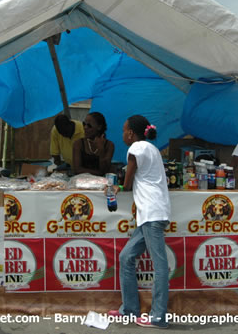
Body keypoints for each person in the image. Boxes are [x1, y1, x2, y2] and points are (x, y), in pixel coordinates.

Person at [108, 115, 171, 328]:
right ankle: (130, 310)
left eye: (124, 130)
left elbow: (127, 184)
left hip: (152, 213)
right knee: (126, 257)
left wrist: (117, 185)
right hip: (150, 214)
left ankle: (158, 317)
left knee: (160, 265)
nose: (122, 134)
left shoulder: (135, 149)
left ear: (131, 133)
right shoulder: (151, 148)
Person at [72, 112, 115, 176]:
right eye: (84, 124)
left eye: (89, 125)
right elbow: (77, 169)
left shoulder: (109, 145)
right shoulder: (78, 144)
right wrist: (99, 173)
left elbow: (105, 169)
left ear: (99, 127)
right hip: (82, 181)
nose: (85, 127)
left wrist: (101, 150)